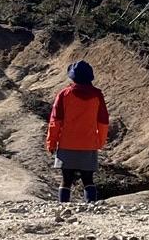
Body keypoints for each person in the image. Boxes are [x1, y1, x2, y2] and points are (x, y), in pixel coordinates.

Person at [46, 59, 109, 202]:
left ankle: (63, 208)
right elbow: (103, 121)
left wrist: (51, 142)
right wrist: (100, 142)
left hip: (67, 144)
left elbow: (55, 121)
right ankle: (92, 207)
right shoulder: (97, 95)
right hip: (89, 144)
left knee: (66, 180)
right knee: (88, 179)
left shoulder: (64, 94)